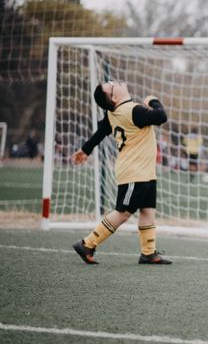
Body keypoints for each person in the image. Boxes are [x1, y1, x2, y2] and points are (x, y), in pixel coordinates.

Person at [71, 80, 172, 265]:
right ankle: (87, 244)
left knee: (147, 210)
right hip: (134, 172)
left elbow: (100, 132)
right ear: (115, 97)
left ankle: (148, 253)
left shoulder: (113, 113)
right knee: (123, 213)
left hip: (144, 171)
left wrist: (85, 150)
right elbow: (161, 116)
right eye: (110, 85)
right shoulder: (133, 111)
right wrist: (153, 101)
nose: (113, 82)